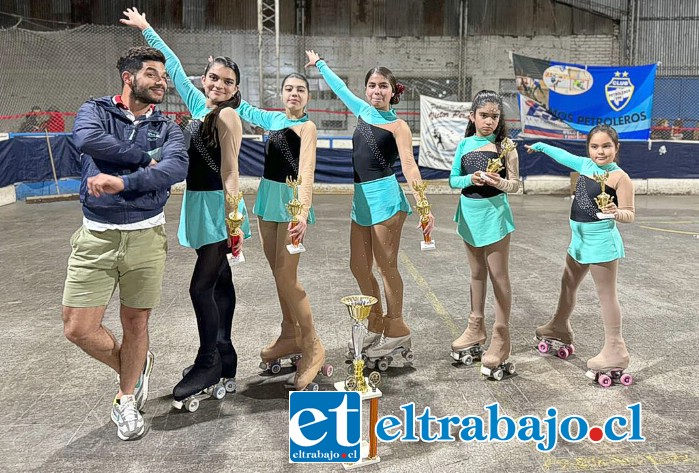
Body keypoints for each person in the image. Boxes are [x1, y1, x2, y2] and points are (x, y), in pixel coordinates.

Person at [122, 7, 250, 406]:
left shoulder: (228, 117)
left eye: (227, 82)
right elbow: (174, 66)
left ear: (234, 89)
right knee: (221, 283)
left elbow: (231, 173)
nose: (218, 85)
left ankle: (208, 359)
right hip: (198, 204)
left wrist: (233, 220)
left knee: (200, 287)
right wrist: (147, 30)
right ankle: (226, 357)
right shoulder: (199, 107)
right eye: (213, 78)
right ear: (205, 79)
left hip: (217, 207)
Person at [62, 46, 188, 440]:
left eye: (164, 77)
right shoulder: (95, 111)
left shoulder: (168, 128)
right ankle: (133, 365)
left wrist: (123, 181)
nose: (161, 82)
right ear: (129, 76)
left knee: (136, 322)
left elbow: (175, 168)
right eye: (152, 74)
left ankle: (127, 397)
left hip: (146, 238)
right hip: (95, 237)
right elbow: (87, 140)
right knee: (78, 328)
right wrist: (142, 159)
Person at [305, 50, 434, 368]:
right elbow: (338, 88)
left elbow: (409, 165)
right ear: (367, 90)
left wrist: (424, 207)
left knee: (387, 267)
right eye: (372, 85)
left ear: (393, 91)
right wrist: (320, 64)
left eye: (383, 86)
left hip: (386, 200)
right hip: (360, 201)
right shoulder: (361, 110)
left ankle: (397, 325)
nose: (377, 90)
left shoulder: (399, 126)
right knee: (358, 266)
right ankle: (376, 323)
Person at [235, 74, 327, 390]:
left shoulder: (308, 128)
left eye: (301, 90)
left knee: (288, 277)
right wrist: (228, 84)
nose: (294, 94)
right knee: (277, 274)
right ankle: (290, 335)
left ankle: (313, 346)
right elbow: (242, 108)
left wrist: (301, 212)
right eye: (289, 89)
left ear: (308, 98)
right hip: (267, 201)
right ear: (282, 93)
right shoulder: (271, 120)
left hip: (290, 205)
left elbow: (307, 172)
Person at [525, 124, 635, 386]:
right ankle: (559, 326)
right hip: (579, 242)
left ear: (616, 148)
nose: (600, 151)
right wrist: (539, 145)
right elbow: (562, 155)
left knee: (606, 296)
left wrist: (615, 212)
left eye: (606, 146)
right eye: (595, 146)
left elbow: (630, 213)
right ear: (589, 148)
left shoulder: (620, 178)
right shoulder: (586, 166)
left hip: (601, 244)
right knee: (568, 284)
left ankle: (616, 349)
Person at [448, 90, 520, 380]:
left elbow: (515, 185)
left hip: (494, 216)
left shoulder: (506, 146)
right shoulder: (464, 144)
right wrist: (471, 178)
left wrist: (499, 181)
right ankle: (475, 327)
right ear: (472, 117)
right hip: (469, 214)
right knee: (476, 274)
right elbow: (453, 179)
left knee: (498, 276)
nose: (489, 120)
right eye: (484, 115)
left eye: (494, 116)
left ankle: (501, 337)